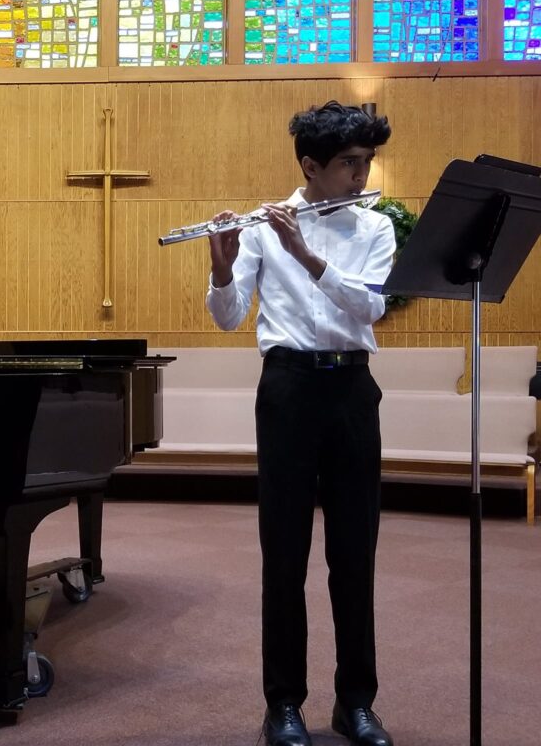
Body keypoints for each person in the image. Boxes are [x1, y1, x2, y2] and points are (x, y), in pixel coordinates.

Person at [205, 102, 395, 746]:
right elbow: (229, 318)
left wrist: (308, 256)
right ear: (310, 166)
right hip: (287, 388)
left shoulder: (375, 229)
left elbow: (371, 305)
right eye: (348, 164)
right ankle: (282, 704)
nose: (361, 176)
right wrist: (221, 262)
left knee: (354, 554)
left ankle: (356, 703)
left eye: (366, 163)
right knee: (284, 556)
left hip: (351, 389)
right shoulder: (262, 225)